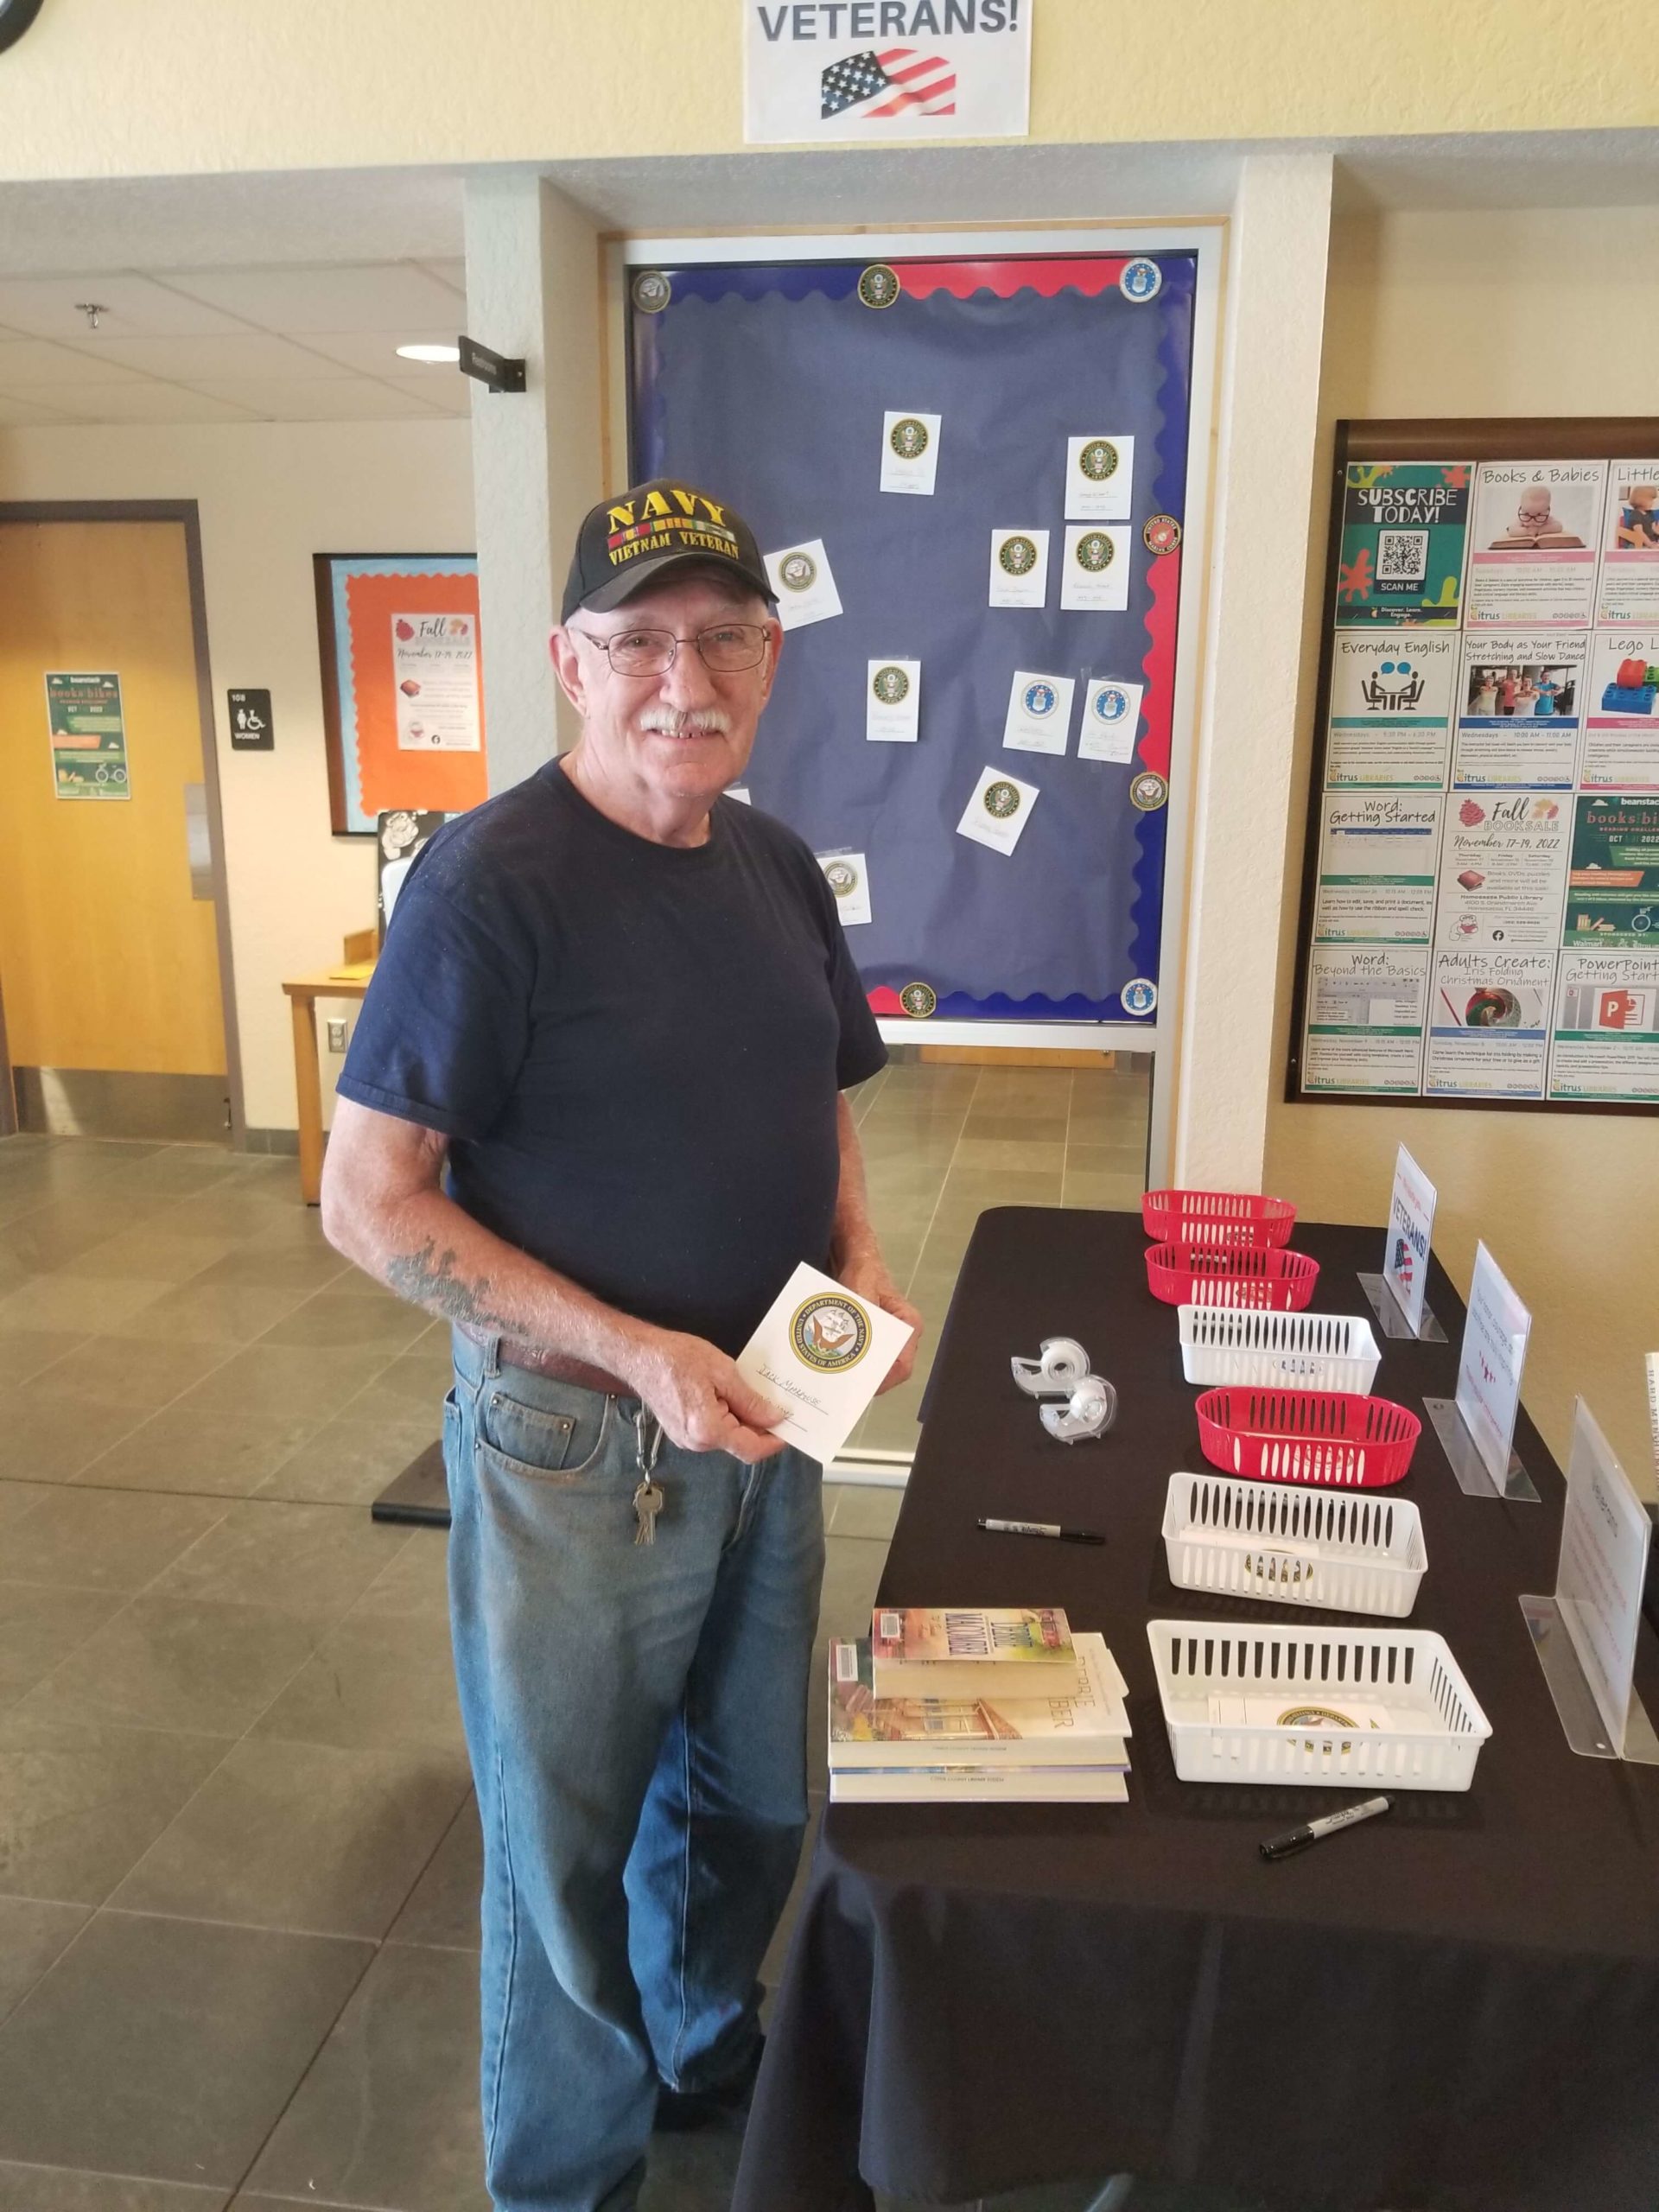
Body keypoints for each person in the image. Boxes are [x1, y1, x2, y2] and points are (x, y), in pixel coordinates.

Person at [321, 478, 921, 2212]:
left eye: (722, 633)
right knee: (563, 1844)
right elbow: (371, 1203)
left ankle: (702, 2037)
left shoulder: (775, 860)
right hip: (582, 1448)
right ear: (576, 660)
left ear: (772, 656)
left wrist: (863, 1256)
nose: (686, 673)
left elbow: (823, 1086)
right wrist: (632, 1345)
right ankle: (567, 2174)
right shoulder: (490, 879)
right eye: (642, 637)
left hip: (767, 1421)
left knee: (746, 1799)